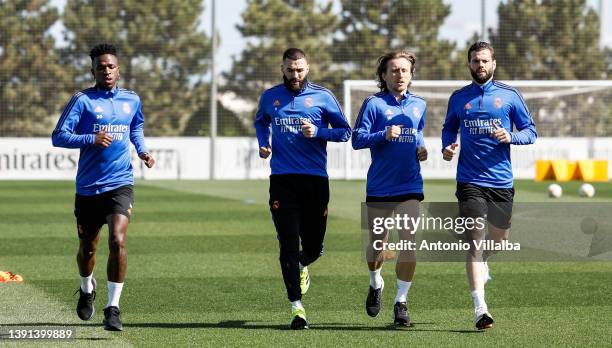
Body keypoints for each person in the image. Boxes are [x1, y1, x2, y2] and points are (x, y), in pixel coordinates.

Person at [52, 43, 155, 331]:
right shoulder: (82, 100)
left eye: (111, 66)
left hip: (120, 183)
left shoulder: (131, 99)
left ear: (118, 68)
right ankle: (86, 288)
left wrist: (143, 150)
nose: (106, 71)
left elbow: (136, 127)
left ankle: (113, 308)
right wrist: (90, 138)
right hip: (88, 188)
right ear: (93, 70)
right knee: (87, 249)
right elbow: (58, 136)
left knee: (118, 241)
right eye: (101, 67)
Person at [441, 41, 537, 330]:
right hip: (469, 180)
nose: (480, 65)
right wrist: (447, 147)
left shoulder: (509, 96)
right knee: (475, 241)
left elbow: (531, 132)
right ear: (469, 64)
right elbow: (448, 127)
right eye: (475, 61)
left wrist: (511, 137)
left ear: (493, 64)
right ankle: (480, 308)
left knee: (499, 240)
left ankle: (484, 262)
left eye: (484, 61)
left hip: (501, 182)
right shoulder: (459, 98)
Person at [254, 48, 351, 330]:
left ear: (307, 68)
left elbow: (345, 132)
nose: (295, 75)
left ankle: (304, 263)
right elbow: (261, 121)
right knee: (287, 243)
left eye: (299, 70)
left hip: (315, 180)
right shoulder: (270, 97)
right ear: (281, 68)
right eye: (290, 70)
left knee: (313, 248)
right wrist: (264, 142)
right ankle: (297, 308)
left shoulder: (323, 97)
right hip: (283, 180)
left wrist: (319, 132)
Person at [352, 51, 427, 327]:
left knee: (408, 244)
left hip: (410, 185)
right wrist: (383, 134)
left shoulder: (420, 104)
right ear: (383, 75)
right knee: (376, 247)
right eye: (394, 70)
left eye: (405, 70)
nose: (400, 75)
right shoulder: (372, 104)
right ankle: (375, 282)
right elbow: (357, 140)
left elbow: (418, 133)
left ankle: (401, 301)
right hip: (380, 186)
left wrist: (421, 148)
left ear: (411, 74)